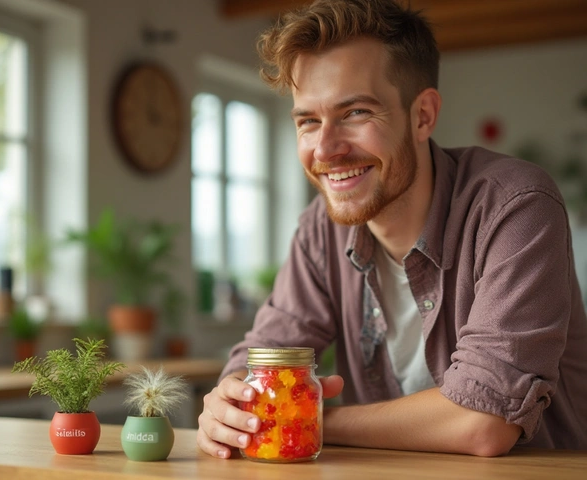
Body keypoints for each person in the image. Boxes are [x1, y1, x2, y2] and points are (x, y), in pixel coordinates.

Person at [197, 0, 587, 458]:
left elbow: (484, 422)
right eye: (308, 121)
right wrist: (230, 401)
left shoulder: (515, 206)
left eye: (356, 113)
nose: (325, 149)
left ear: (422, 115)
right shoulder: (320, 229)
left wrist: (307, 415)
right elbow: (262, 358)